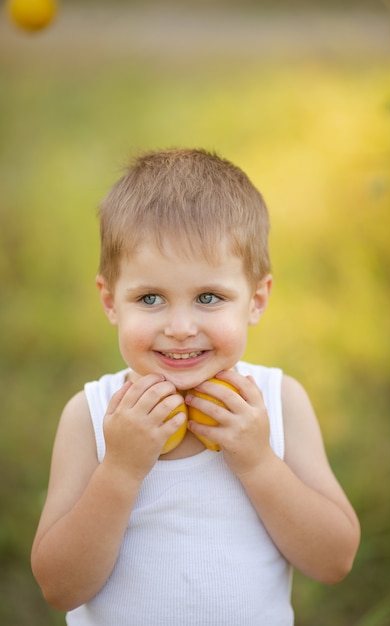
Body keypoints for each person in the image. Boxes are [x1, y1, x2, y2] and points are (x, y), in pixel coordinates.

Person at [31, 148, 360, 625]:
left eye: (209, 297)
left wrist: (258, 460)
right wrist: (120, 470)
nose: (181, 327)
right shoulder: (91, 414)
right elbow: (59, 587)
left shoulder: (280, 402)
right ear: (110, 301)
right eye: (150, 298)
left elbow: (334, 561)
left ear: (255, 299)